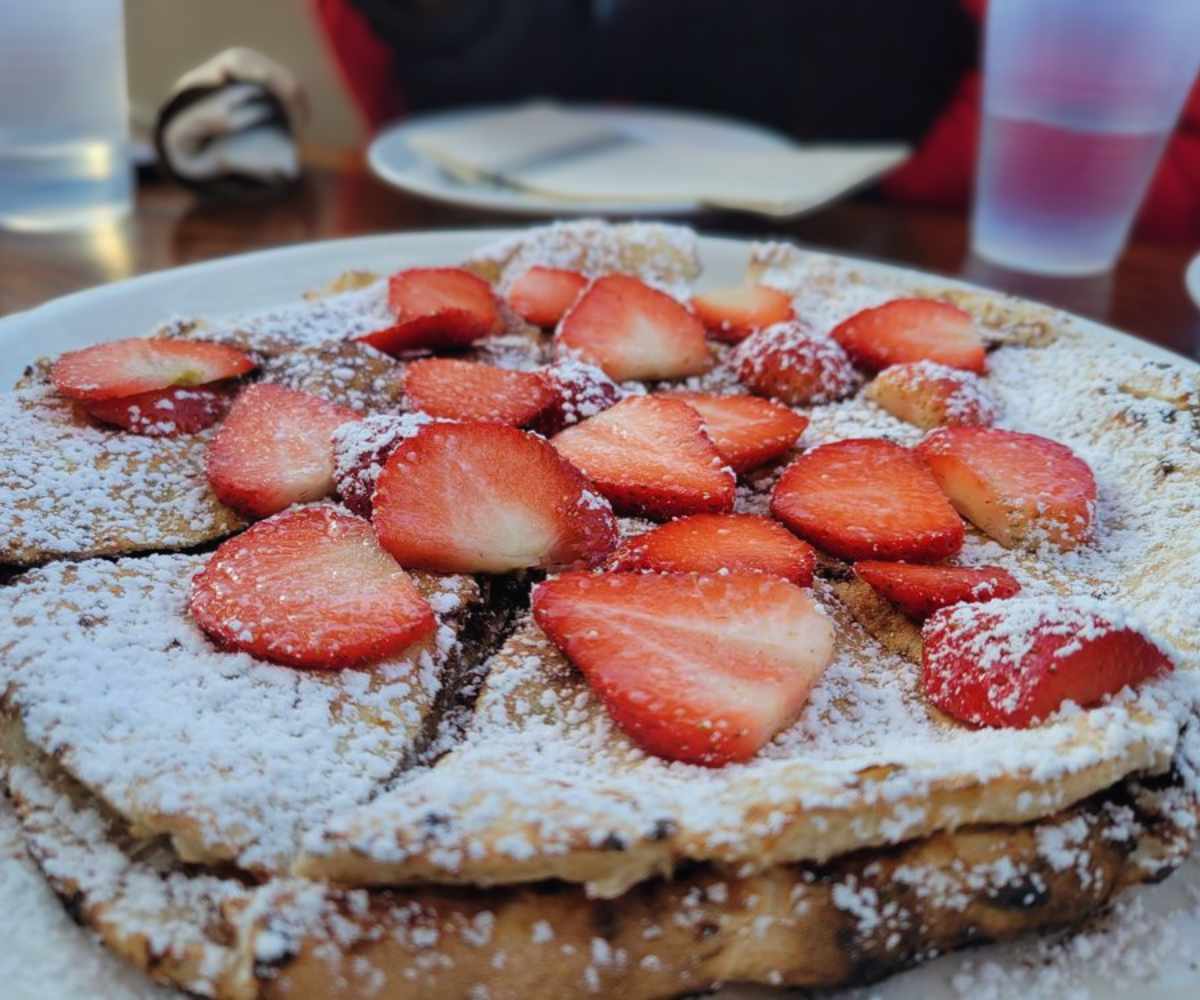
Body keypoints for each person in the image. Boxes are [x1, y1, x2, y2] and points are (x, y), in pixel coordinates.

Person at [312, 0, 1200, 240]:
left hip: (871, 244)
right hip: (476, 240)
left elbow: (1163, 129)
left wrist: (904, 150)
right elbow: (425, 129)